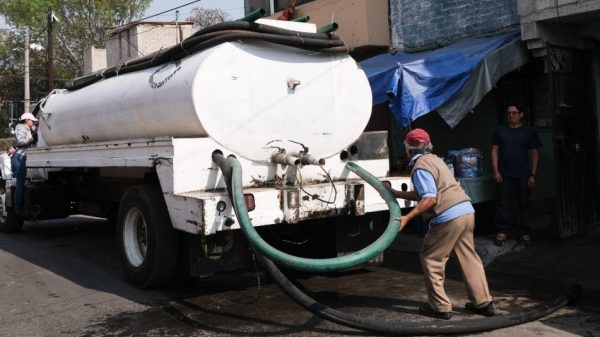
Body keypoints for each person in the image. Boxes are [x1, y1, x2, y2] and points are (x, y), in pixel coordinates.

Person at [390, 128, 494, 320]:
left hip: (448, 216)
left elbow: (429, 198)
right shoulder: (436, 160)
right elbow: (428, 192)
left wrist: (408, 217)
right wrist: (397, 194)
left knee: (431, 258)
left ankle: (440, 306)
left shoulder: (420, 166)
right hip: (465, 210)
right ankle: (483, 303)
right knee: (469, 256)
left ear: (409, 148)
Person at [491, 105, 541, 247]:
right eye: (508, 113)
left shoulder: (528, 132)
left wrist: (533, 175)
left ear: (521, 114)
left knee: (523, 203)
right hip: (504, 174)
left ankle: (524, 232)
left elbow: (535, 153)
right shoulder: (499, 131)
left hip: (523, 175)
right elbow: (494, 150)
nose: (511, 116)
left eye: (514, 113)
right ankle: (502, 231)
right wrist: (496, 171)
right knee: (503, 203)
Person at [11, 112, 38, 214]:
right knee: (20, 183)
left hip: (20, 158)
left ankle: (19, 205)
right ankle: (18, 206)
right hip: (19, 158)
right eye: (32, 121)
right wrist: (31, 140)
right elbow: (19, 142)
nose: (33, 122)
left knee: (21, 182)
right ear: (27, 120)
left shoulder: (26, 128)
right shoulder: (21, 128)